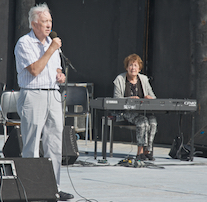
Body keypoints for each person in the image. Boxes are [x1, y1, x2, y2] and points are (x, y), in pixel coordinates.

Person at [14, 3, 74, 201]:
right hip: (33, 95)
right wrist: (50, 49)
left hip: (53, 95)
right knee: (31, 143)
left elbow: (54, 69)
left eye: (50, 21)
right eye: (44, 21)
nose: (49, 25)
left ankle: (53, 188)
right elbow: (34, 70)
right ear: (34, 24)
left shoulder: (51, 43)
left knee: (55, 144)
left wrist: (60, 76)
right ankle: (30, 189)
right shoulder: (24, 43)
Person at [113, 53, 157, 161]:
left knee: (153, 122)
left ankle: (148, 150)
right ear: (127, 67)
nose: (133, 68)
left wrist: (148, 97)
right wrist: (130, 99)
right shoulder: (120, 79)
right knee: (143, 122)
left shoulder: (144, 79)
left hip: (143, 111)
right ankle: (140, 153)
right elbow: (116, 99)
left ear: (139, 68)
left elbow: (154, 98)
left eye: (135, 65)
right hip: (125, 112)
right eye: (131, 65)